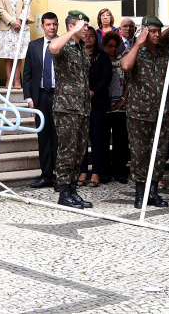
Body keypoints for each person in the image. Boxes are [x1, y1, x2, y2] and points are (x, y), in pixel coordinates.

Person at [120, 16, 169, 208]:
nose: (157, 34)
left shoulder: (165, 53)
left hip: (162, 111)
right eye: (152, 31)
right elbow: (126, 66)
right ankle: (140, 193)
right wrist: (137, 44)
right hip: (139, 111)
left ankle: (153, 192)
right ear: (144, 31)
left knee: (159, 153)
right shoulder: (135, 51)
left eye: (159, 31)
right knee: (139, 153)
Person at [49, 11, 93, 209]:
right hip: (66, 107)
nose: (86, 30)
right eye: (82, 26)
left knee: (79, 151)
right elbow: (53, 47)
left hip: (82, 107)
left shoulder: (82, 47)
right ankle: (64, 192)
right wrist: (71, 32)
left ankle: (73, 191)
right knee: (66, 151)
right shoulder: (64, 44)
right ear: (71, 26)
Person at [22, 12, 59, 189]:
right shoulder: (34, 46)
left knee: (59, 137)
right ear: (42, 26)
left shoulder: (64, 44)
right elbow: (27, 74)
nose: (52, 27)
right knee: (43, 136)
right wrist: (29, 98)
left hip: (59, 96)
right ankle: (46, 175)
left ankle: (61, 177)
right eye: (48, 24)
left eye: (54, 24)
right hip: (41, 96)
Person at [78, 26, 112, 187]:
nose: (88, 38)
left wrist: (93, 91)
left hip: (97, 102)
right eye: (85, 35)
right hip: (80, 102)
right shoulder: (78, 54)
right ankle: (83, 171)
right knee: (82, 138)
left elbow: (106, 78)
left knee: (97, 137)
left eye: (91, 36)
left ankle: (96, 172)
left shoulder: (102, 56)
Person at [0, 0, 32, 89]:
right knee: (8, 55)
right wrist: (12, 22)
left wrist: (20, 20)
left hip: (21, 26)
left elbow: (27, 7)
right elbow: (0, 10)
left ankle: (16, 80)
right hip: (7, 27)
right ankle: (8, 79)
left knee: (19, 54)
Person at [102, 31, 129, 183]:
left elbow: (129, 81)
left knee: (121, 140)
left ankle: (120, 170)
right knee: (104, 140)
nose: (112, 49)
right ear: (105, 46)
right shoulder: (101, 59)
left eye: (115, 46)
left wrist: (124, 99)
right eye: (109, 46)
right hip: (105, 106)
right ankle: (105, 171)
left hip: (120, 105)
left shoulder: (123, 60)